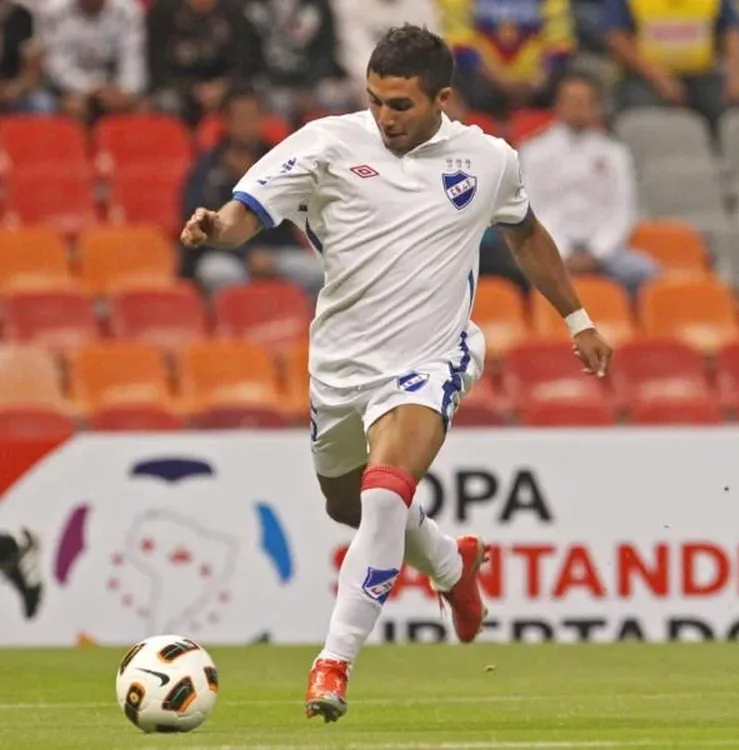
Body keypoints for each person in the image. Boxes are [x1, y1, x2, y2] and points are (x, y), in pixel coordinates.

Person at [179, 23, 612, 724]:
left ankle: (333, 662)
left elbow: (526, 232)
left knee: (383, 498)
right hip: (341, 370)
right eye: (376, 100)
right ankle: (449, 563)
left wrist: (578, 318)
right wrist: (214, 229)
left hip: (430, 360)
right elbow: (246, 212)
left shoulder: (489, 161)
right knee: (347, 507)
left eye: (401, 105)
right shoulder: (327, 144)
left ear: (442, 98)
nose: (385, 116)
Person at [519, 71, 660, 298]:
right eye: (572, 101)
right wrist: (562, 253)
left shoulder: (615, 154)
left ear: (596, 106)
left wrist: (597, 252)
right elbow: (530, 210)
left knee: (645, 271)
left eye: (584, 102)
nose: (578, 107)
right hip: (550, 247)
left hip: (605, 250)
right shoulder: (534, 152)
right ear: (558, 105)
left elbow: (622, 209)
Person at [0, 528, 42, 619]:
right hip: (10, 552)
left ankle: (30, 597)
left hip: (9, 551)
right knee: (15, 575)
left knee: (14, 573)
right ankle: (30, 596)